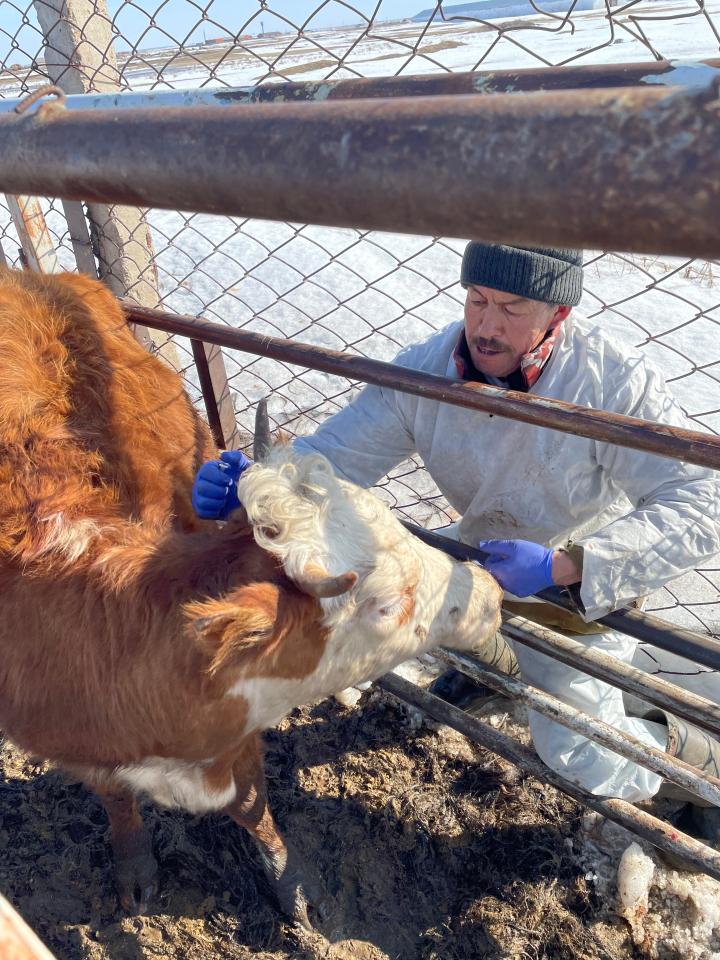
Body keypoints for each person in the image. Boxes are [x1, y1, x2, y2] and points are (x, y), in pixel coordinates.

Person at [192, 243, 720, 837]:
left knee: (584, 755)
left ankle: (697, 761)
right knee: (376, 590)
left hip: (578, 587)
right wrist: (257, 485)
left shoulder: (612, 380)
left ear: (558, 315)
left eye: (513, 308)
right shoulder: (430, 366)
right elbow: (334, 459)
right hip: (481, 552)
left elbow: (704, 502)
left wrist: (569, 564)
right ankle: (484, 665)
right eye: (477, 300)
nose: (486, 327)